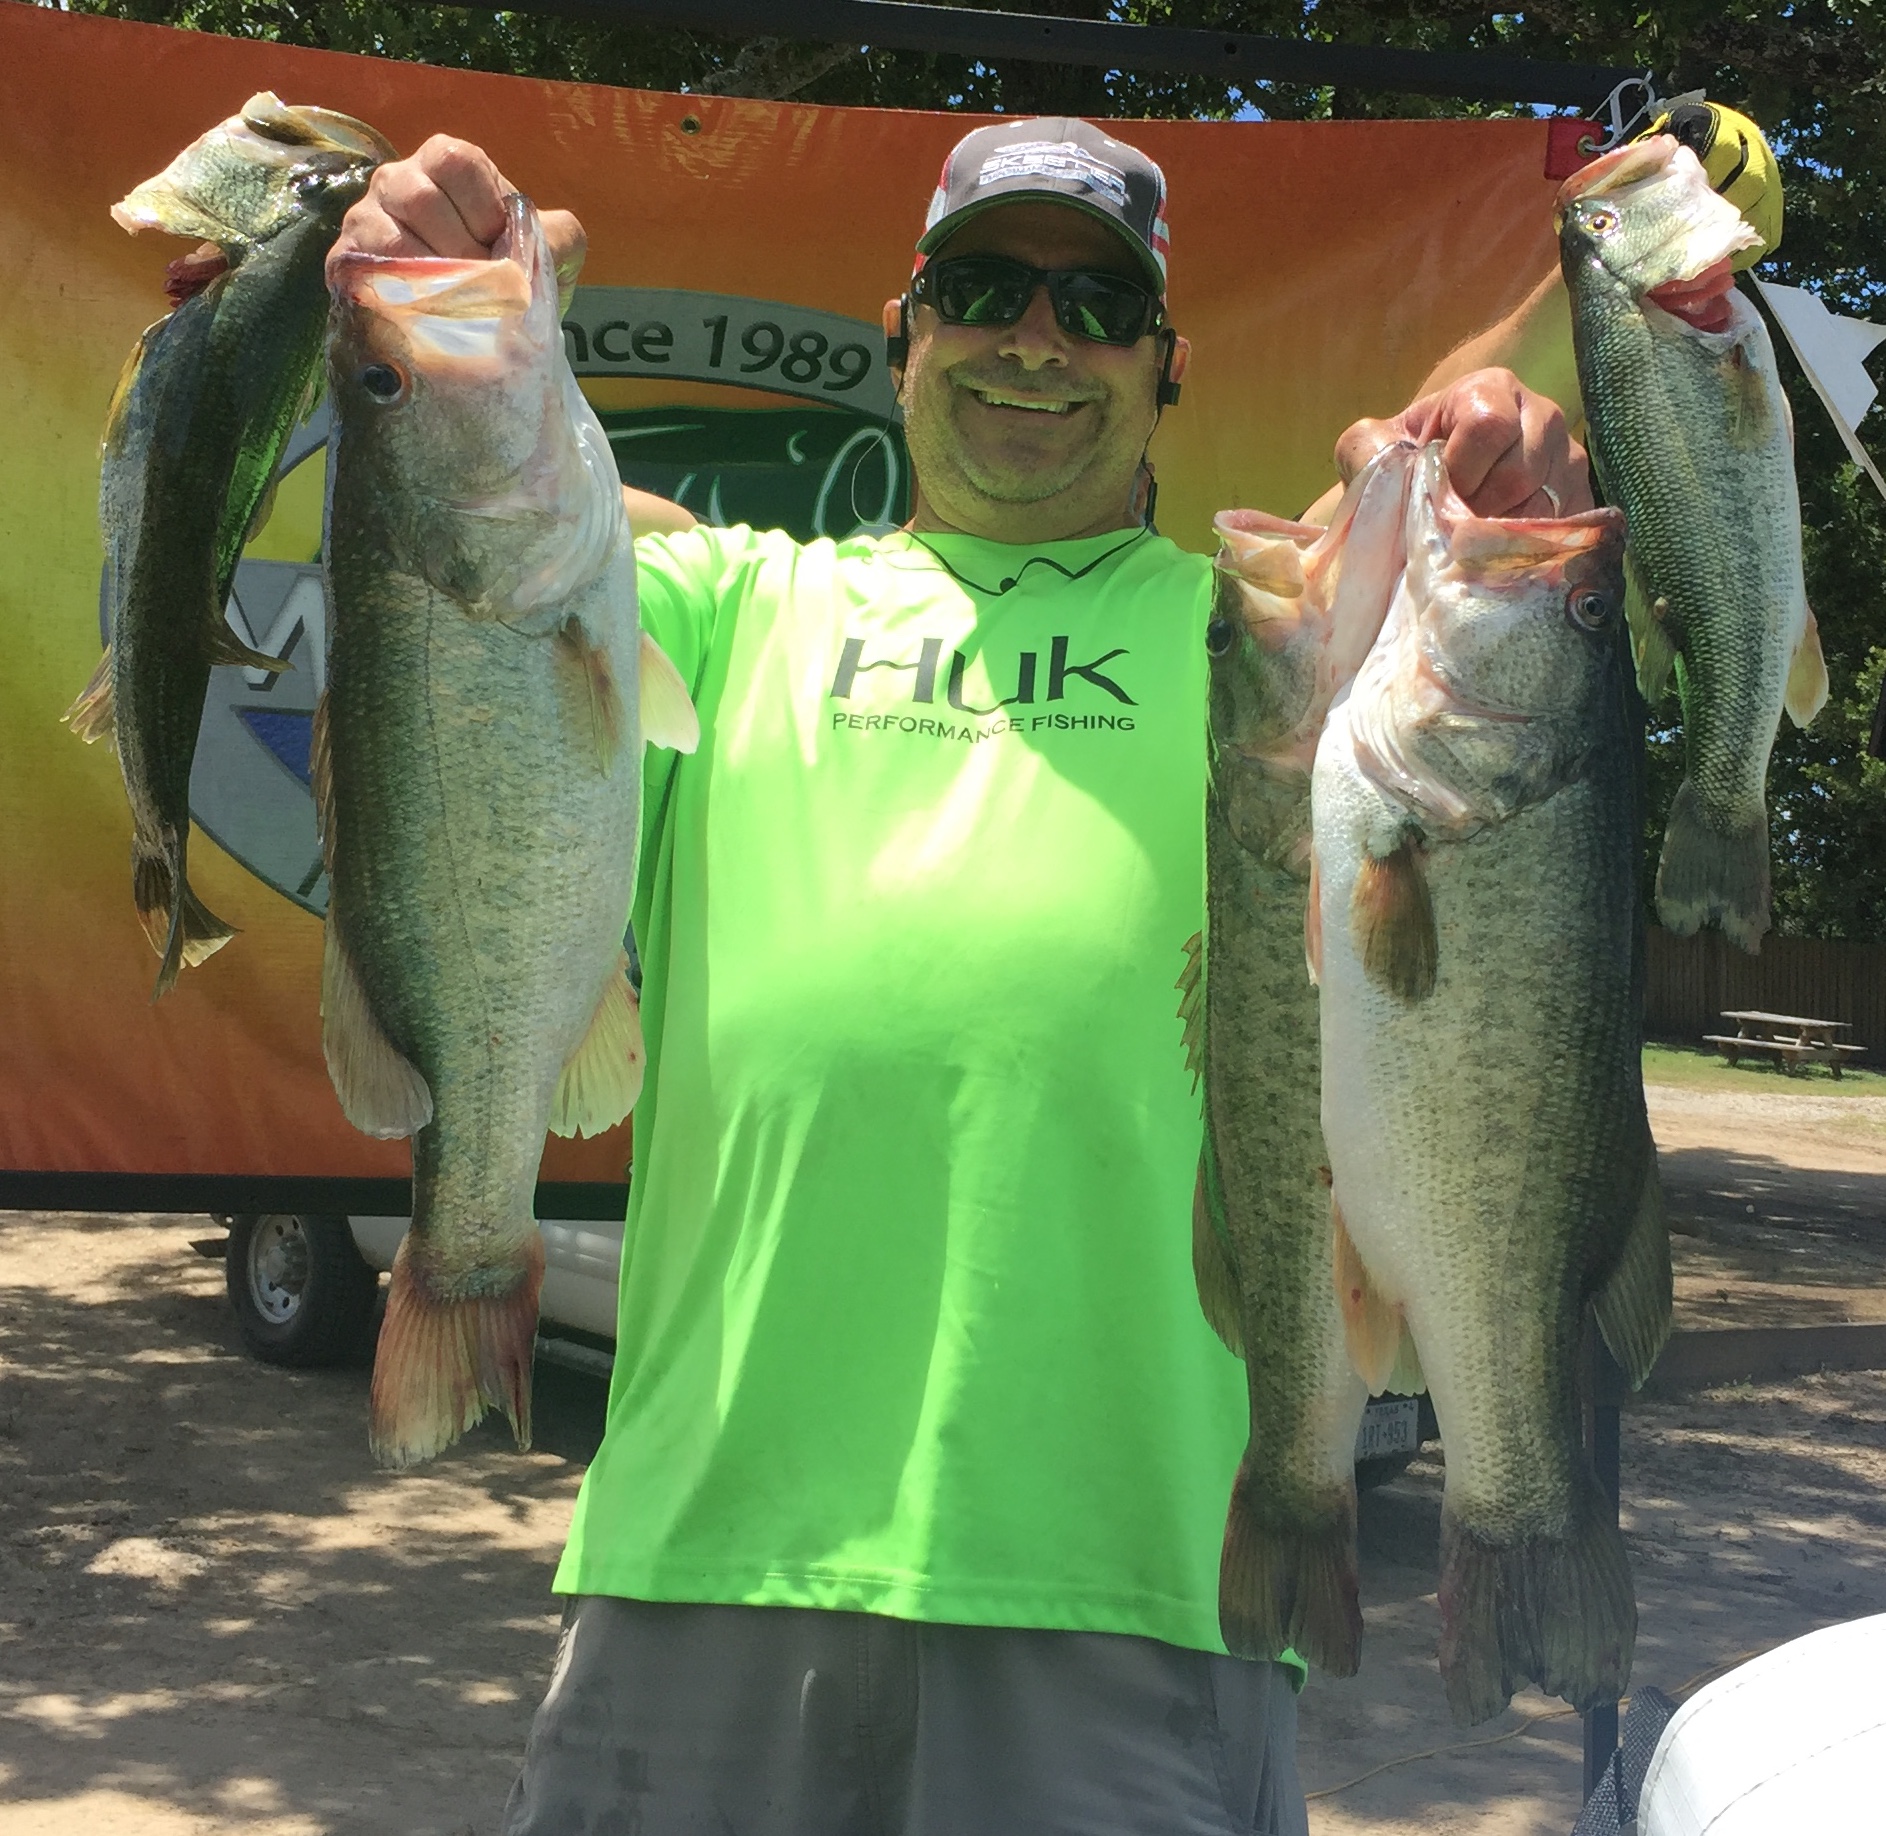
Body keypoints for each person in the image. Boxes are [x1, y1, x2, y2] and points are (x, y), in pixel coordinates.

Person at [329, 116, 1591, 1835]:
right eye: (984, 290)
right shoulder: (722, 605)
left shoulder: (1276, 639)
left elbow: (1487, 605)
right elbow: (461, 541)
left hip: (1141, 1581)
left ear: (1164, 371)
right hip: (706, 1555)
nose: (1035, 342)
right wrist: (420, 317)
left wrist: (1507, 461)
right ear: (903, 332)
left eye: (1098, 310)